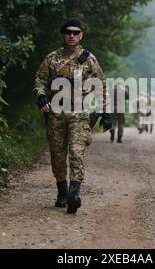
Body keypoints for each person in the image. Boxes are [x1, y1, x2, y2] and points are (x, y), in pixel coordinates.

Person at [34, 18, 112, 214]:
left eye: (75, 32)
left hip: (80, 113)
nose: (71, 35)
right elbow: (40, 79)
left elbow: (101, 85)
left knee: (76, 153)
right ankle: (61, 191)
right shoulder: (52, 58)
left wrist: (106, 111)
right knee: (58, 155)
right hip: (56, 114)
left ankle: (73, 195)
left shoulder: (89, 59)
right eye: (68, 32)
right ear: (63, 35)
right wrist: (41, 96)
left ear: (81, 36)